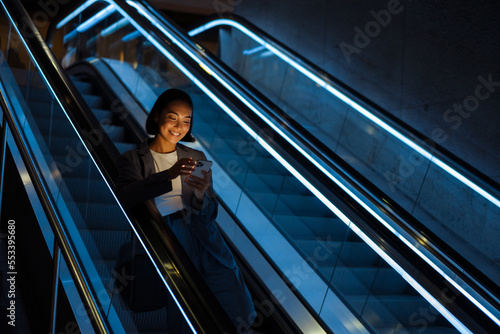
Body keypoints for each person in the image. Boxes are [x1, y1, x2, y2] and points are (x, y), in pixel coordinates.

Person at [115, 89, 256, 332]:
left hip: (205, 236)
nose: (179, 126)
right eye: (173, 117)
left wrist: (201, 196)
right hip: (166, 236)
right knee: (184, 310)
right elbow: (127, 196)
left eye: (186, 120)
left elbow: (210, 211)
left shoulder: (195, 156)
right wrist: (168, 176)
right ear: (157, 115)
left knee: (239, 306)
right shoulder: (133, 159)